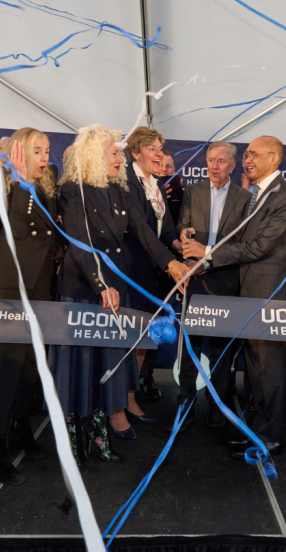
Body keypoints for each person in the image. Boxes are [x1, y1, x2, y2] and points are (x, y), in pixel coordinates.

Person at [53, 125, 188, 466]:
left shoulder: (119, 189)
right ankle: (73, 440)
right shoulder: (72, 190)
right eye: (114, 153)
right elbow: (81, 242)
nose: (120, 159)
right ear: (93, 156)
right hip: (86, 290)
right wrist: (101, 284)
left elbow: (143, 231)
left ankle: (100, 433)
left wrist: (170, 263)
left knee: (109, 363)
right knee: (82, 366)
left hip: (116, 287)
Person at [182, 136, 286, 458]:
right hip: (248, 292)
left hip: (268, 292)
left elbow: (259, 247)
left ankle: (271, 436)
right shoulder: (257, 193)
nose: (247, 161)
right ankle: (257, 430)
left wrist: (207, 252)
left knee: (269, 368)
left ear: (274, 158)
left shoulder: (285, 196)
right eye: (246, 155)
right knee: (255, 367)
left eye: (253, 155)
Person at [0, 128, 60, 485]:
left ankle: (21, 428)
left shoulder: (47, 185)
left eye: (47, 150)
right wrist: (18, 176)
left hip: (40, 283)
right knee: (11, 364)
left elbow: (52, 233)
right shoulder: (7, 182)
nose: (45, 157)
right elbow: (16, 224)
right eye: (37, 150)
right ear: (20, 153)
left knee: (31, 362)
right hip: (11, 283)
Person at [175, 141, 251, 430]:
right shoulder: (193, 191)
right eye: (210, 160)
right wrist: (185, 235)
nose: (215, 166)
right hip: (194, 279)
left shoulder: (245, 198)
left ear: (232, 165)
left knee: (221, 351)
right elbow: (182, 225)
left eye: (221, 161)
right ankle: (185, 404)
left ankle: (218, 407)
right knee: (189, 348)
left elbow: (242, 243)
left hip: (226, 280)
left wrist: (206, 257)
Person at [124, 127, 184, 429]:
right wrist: (170, 262)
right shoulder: (126, 181)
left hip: (153, 271)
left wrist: (178, 244)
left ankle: (130, 395)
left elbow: (165, 225)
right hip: (132, 270)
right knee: (130, 338)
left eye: (160, 148)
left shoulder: (156, 182)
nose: (159, 154)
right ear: (136, 153)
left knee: (145, 336)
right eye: (152, 149)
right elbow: (140, 229)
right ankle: (123, 400)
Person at [158, 149, 184, 223]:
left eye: (168, 166)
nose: (164, 169)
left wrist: (178, 193)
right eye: (160, 165)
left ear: (174, 170)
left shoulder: (183, 194)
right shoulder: (142, 189)